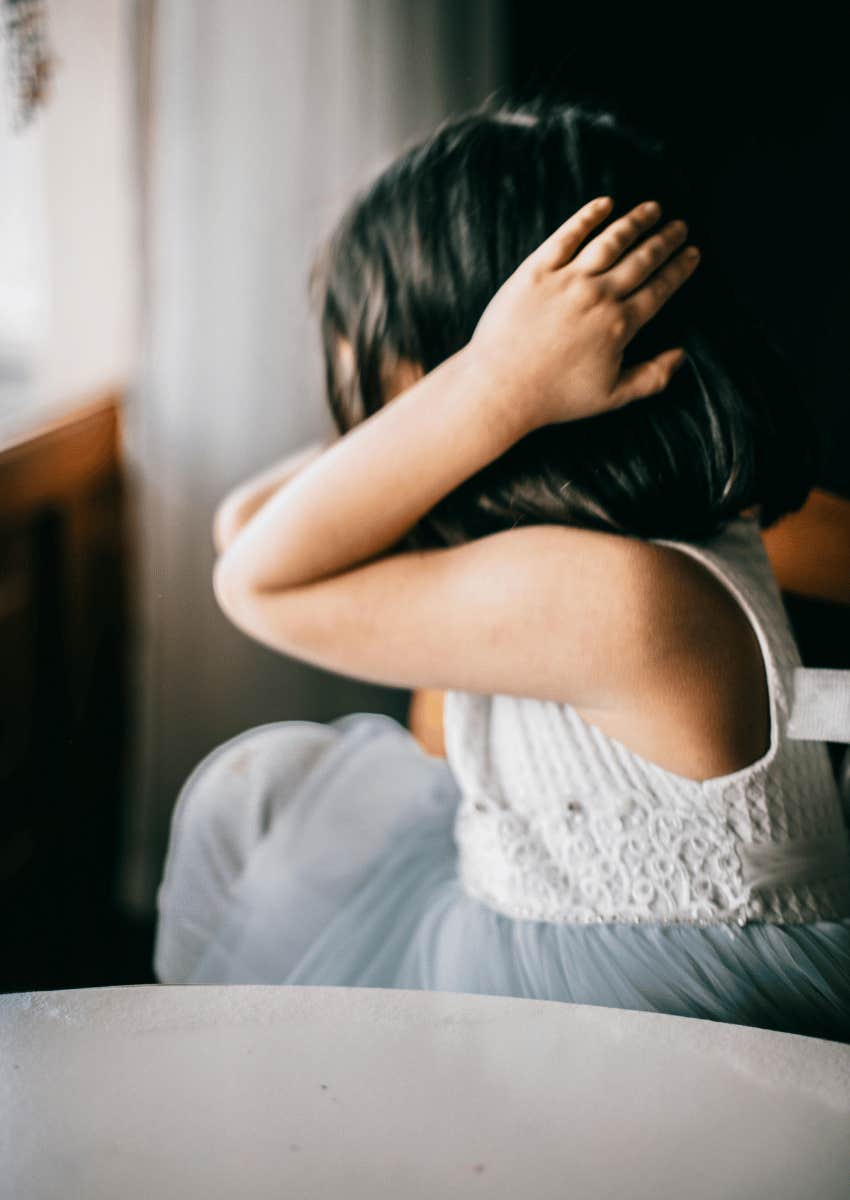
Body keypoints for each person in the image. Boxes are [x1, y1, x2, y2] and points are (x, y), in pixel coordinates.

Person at [153, 97, 850, 1041]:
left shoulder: (614, 594)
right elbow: (247, 527)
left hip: (652, 1039)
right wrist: (483, 391)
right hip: (526, 926)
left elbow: (257, 580)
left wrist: (488, 386)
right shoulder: (594, 540)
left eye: (391, 358)